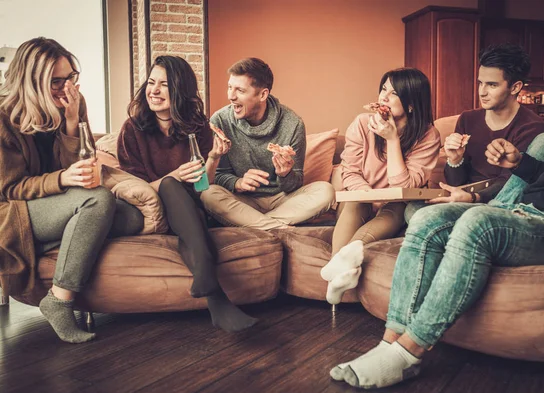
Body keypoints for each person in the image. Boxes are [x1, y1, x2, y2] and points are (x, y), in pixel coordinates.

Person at [329, 21, 544, 389]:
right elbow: (539, 178)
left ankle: (408, 352)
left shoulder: (542, 122)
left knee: (477, 222)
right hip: (520, 208)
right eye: (481, 83)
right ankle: (389, 343)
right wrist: (511, 163)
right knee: (427, 218)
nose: (483, 91)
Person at [0, 37, 143, 343]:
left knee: (132, 217)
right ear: (31, 81)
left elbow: (83, 160)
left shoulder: (73, 104)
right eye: (56, 81)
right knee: (98, 201)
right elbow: (10, 189)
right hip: (14, 212)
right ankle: (59, 299)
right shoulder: (3, 119)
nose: (66, 88)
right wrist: (63, 179)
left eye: (70, 78)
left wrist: (71, 122)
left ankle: (58, 238)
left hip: (57, 204)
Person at [117, 55, 257, 332]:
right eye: (151, 83)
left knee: (183, 201)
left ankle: (211, 292)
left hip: (191, 208)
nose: (153, 91)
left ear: (180, 90)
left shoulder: (198, 126)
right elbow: (134, 190)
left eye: (164, 85)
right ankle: (214, 294)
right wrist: (174, 176)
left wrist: (214, 157)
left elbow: (203, 185)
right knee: (170, 185)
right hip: (152, 209)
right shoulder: (132, 129)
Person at [319, 68, 440, 305]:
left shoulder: (428, 135)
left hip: (396, 204)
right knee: (355, 202)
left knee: (397, 207)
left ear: (412, 104)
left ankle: (335, 274)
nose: (383, 97)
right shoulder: (363, 124)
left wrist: (392, 139)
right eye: (383, 89)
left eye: (393, 93)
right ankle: (339, 270)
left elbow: (403, 185)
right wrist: (368, 195)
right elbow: (350, 172)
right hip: (360, 198)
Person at [405, 44, 544, 220]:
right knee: (413, 209)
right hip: (464, 198)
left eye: (492, 85)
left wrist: (474, 198)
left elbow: (512, 185)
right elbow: (455, 182)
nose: (482, 92)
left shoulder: (532, 127)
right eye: (480, 83)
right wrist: (455, 160)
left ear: (515, 87)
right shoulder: (468, 119)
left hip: (497, 205)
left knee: (428, 216)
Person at [201, 58, 335, 230]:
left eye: (240, 90)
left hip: (282, 200)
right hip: (243, 202)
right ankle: (278, 228)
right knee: (208, 194)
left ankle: (254, 224)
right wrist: (238, 182)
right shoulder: (220, 121)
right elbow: (218, 176)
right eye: (230, 87)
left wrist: (286, 174)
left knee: (326, 191)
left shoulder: (293, 124)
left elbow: (295, 184)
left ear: (262, 94)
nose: (230, 96)